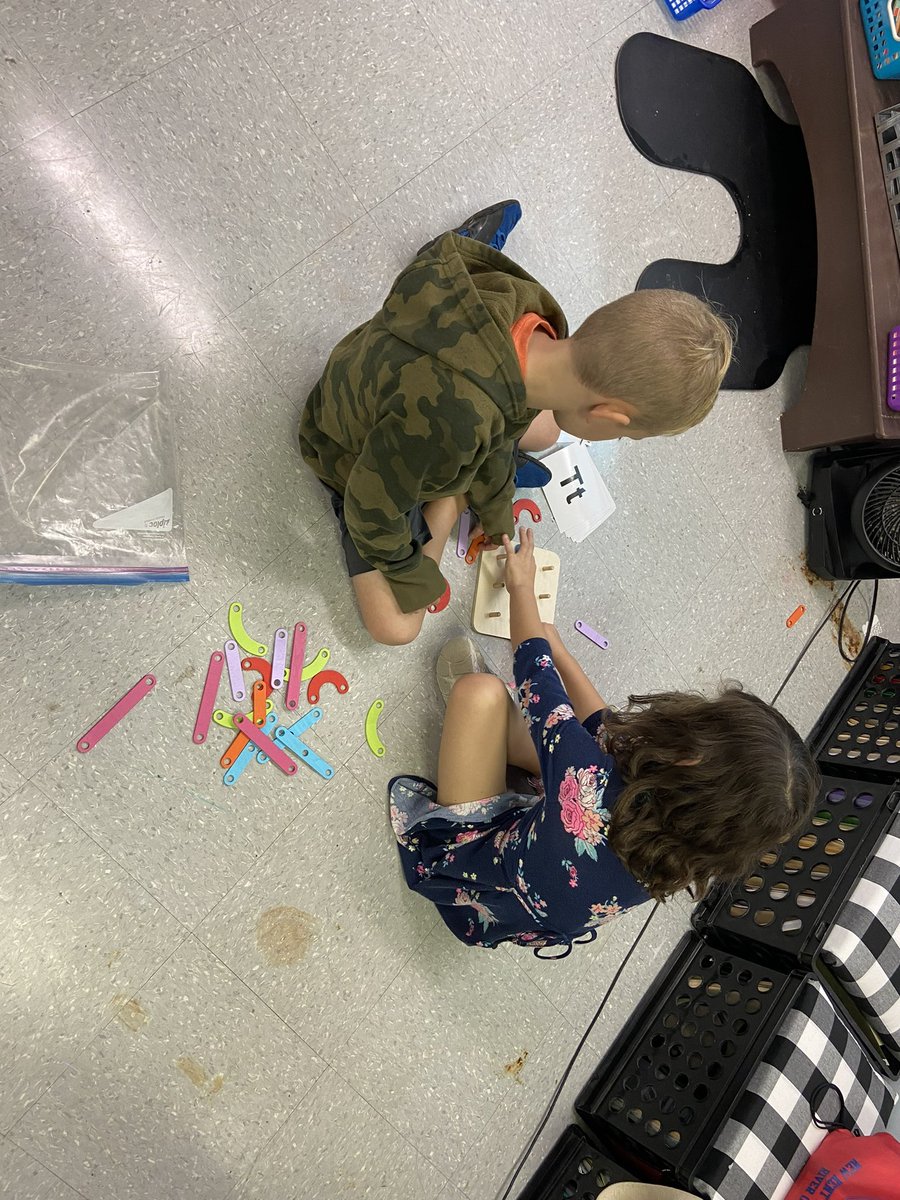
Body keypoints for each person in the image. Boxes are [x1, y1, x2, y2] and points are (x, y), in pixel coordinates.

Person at [298, 200, 733, 646]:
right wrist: (418, 577)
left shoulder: (540, 315)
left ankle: (465, 485)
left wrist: (497, 514)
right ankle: (450, 499)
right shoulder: (457, 424)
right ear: (608, 415)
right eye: (623, 432)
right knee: (399, 627)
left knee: (546, 429)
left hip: (390, 367)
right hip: (343, 444)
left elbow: (500, 419)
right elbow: (371, 507)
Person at [388, 528, 819, 956]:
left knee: (480, 694)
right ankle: (510, 766)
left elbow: (535, 674)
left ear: (691, 758)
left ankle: (481, 756)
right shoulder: (686, 845)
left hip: (475, 891)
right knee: (560, 738)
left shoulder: (587, 779)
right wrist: (560, 647)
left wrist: (521, 589)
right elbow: (605, 730)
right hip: (535, 885)